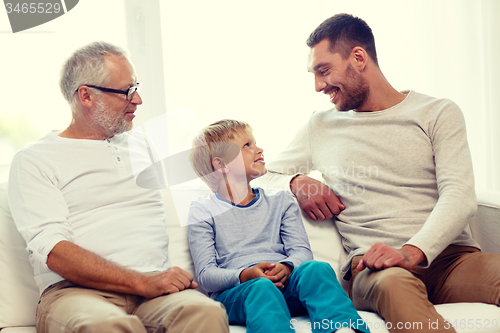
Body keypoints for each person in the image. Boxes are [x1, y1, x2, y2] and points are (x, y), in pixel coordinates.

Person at [257, 13, 500, 333]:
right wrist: (296, 181)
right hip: (375, 269)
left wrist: (411, 252)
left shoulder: (438, 112)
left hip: (450, 260)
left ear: (358, 58)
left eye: (323, 70)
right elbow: (261, 176)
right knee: (394, 286)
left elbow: (459, 195)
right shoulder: (320, 126)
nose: (318, 85)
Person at [8, 42, 229, 333]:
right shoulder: (35, 159)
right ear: (86, 95)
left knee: (206, 313)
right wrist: (141, 281)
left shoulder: (140, 144)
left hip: (155, 289)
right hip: (77, 293)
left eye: (135, 87)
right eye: (125, 91)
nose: (137, 99)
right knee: (109, 326)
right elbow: (54, 250)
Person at [187, 119, 370, 333]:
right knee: (262, 287)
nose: (259, 149)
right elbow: (206, 275)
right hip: (239, 294)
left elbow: (301, 252)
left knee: (317, 269)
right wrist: (244, 275)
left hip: (286, 286)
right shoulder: (202, 210)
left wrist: (288, 266)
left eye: (255, 143)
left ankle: (343, 330)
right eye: (247, 146)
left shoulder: (281, 200)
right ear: (221, 165)